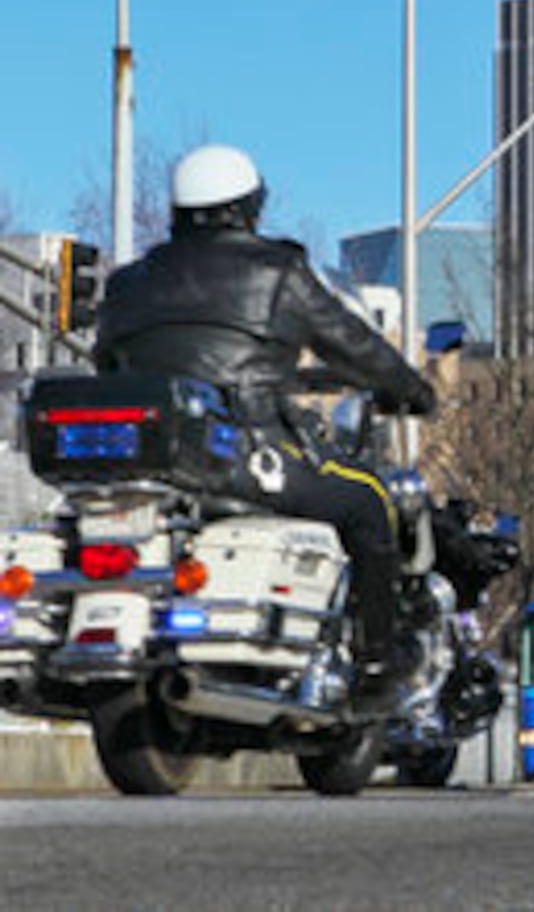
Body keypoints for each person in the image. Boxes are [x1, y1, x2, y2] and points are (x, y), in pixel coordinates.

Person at [92, 145, 437, 710]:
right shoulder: (276, 271)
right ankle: (378, 661)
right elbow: (353, 344)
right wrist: (413, 390)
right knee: (370, 500)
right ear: (248, 207)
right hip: (250, 454)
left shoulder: (129, 282)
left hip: (149, 463)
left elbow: (107, 363)